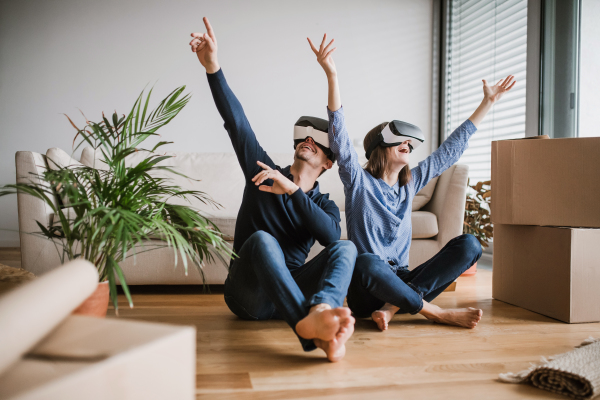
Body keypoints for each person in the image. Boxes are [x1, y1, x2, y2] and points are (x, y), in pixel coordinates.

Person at [307, 33, 515, 331]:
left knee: (469, 244)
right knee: (365, 261)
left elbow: (449, 151)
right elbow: (339, 136)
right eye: (398, 140)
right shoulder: (358, 181)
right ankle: (435, 313)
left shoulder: (411, 183)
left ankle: (393, 307)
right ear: (380, 147)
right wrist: (332, 74)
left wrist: (488, 102)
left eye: (409, 142)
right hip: (367, 285)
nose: (407, 144)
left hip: (403, 280)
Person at [189, 18, 357, 362]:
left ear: (328, 163)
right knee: (264, 240)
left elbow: (328, 236)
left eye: (318, 142)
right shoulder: (262, 171)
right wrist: (213, 67)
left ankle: (320, 310)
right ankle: (306, 327)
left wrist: (293, 190)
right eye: (304, 136)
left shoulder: (323, 205)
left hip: (291, 290)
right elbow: (237, 124)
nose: (308, 140)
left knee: (346, 247)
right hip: (247, 295)